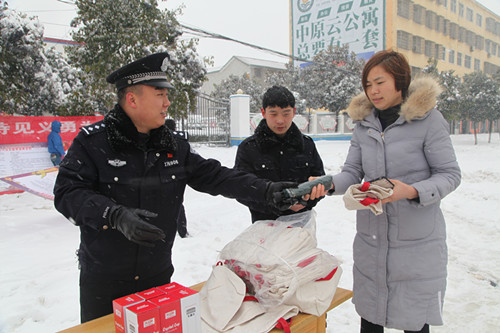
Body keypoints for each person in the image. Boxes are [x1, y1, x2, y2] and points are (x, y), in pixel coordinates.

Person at [53, 52, 323, 323]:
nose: (167, 103)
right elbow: (67, 193)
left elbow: (218, 176)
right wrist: (113, 215)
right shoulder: (93, 144)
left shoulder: (172, 146)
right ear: (132, 99)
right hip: (104, 281)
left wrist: (266, 190)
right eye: (160, 95)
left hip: (157, 277)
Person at [325, 50, 461, 332]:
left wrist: (410, 190)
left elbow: (449, 174)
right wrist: (327, 184)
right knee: (371, 320)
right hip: (372, 241)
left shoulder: (429, 120)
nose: (373, 91)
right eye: (367, 85)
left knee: (414, 322)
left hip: (416, 245)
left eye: (380, 82)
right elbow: (352, 171)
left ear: (400, 81)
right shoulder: (364, 124)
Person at [234, 85, 326, 223]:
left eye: (286, 113)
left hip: (302, 227)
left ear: (294, 112)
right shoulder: (248, 148)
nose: (280, 120)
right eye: (273, 113)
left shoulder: (307, 145)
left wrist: (307, 201)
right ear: (263, 113)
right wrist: (274, 205)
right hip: (265, 227)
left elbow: (320, 181)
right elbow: (241, 189)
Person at [164, 118, 189, 238]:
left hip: (163, 178)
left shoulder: (159, 139)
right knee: (178, 205)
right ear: (174, 128)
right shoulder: (178, 141)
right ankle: (182, 230)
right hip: (175, 177)